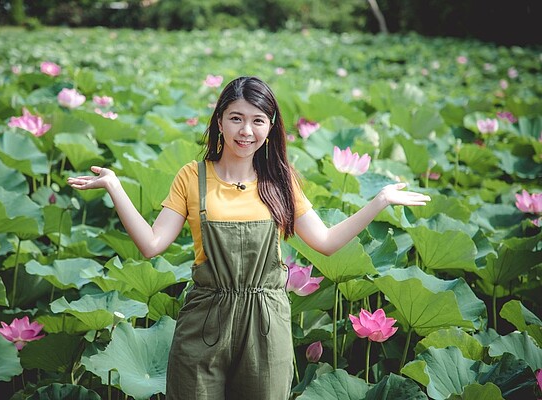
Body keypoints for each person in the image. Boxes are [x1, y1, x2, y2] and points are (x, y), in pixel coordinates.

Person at [67, 76, 430, 400]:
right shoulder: (192, 177)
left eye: (258, 121)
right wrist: (115, 187)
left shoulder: (281, 180)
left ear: (270, 128)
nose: (246, 131)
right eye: (237, 118)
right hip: (205, 316)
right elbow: (151, 245)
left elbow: (326, 242)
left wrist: (379, 201)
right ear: (220, 121)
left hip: (266, 321)